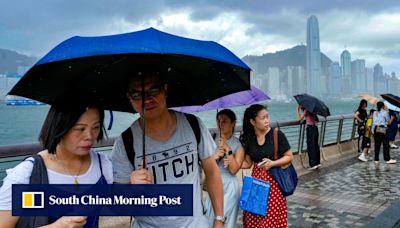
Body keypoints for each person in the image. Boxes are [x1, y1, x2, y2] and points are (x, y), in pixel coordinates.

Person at [111, 71, 224, 228]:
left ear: (165, 89)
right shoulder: (125, 142)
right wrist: (131, 187)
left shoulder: (193, 125)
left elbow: (212, 172)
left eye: (154, 90)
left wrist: (219, 218)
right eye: (137, 94)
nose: (147, 99)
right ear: (129, 98)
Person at [0, 94, 113, 228]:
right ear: (60, 127)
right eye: (80, 129)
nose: (89, 136)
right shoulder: (28, 175)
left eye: (95, 127)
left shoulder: (102, 165)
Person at [240, 104, 293, 227]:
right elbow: (248, 163)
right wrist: (229, 161)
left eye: (267, 117)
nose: (267, 120)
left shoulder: (276, 134)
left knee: (270, 221)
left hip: (274, 184)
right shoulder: (249, 138)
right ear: (253, 121)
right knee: (253, 219)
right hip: (256, 184)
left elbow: (289, 157)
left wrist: (272, 163)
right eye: (263, 118)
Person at [204, 109, 245, 228]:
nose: (220, 125)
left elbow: (234, 169)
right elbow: (203, 164)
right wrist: (215, 157)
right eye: (218, 121)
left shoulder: (238, 144)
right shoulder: (211, 139)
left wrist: (228, 150)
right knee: (209, 218)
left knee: (226, 222)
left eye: (224, 121)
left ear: (233, 123)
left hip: (229, 186)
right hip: (214, 184)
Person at [297, 105, 321, 170]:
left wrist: (297, 110)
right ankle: (318, 162)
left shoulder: (306, 110)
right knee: (316, 146)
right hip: (315, 128)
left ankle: (313, 164)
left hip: (310, 129)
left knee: (311, 146)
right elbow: (317, 120)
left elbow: (299, 119)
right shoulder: (313, 111)